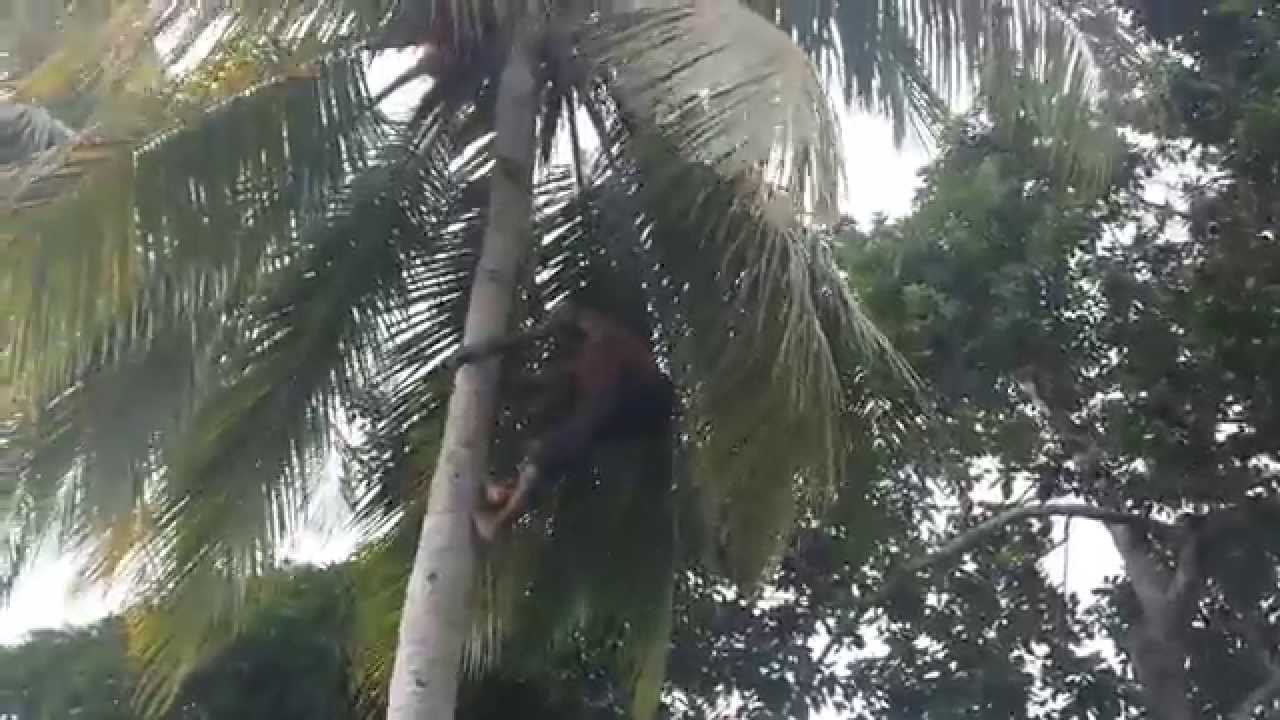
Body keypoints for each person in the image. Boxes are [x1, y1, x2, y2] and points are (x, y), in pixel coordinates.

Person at [473, 302, 675, 540]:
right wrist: (497, 356)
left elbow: (547, 368)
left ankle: (497, 523)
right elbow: (544, 371)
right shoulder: (588, 353)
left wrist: (493, 354)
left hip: (640, 396)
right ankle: (511, 492)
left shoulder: (601, 344)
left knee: (552, 447)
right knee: (554, 445)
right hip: (641, 408)